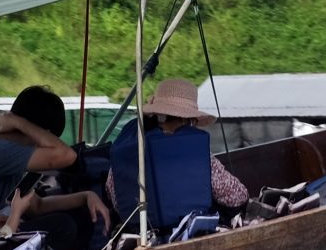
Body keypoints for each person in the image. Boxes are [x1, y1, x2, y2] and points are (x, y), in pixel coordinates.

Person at [106, 78, 249, 239]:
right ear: (187, 120)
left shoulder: (130, 148)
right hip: (189, 234)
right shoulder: (197, 154)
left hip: (140, 233)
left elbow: (115, 197)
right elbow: (237, 196)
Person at [0, 85, 112, 250]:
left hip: (4, 227)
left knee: (82, 218)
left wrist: (86, 196)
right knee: (64, 226)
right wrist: (19, 122)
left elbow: (36, 206)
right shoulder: (0, 150)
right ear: (43, 133)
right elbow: (67, 155)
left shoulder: (14, 154)